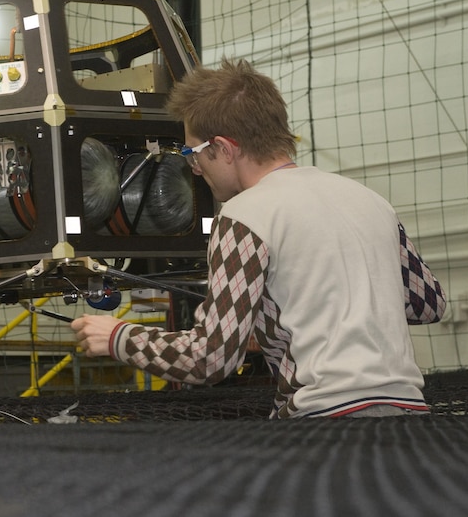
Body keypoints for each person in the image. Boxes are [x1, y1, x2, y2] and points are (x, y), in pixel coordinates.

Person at [71, 57, 447, 419]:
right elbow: (429, 304)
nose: (195, 168)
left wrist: (118, 337)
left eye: (193, 153)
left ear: (226, 148)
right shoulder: (371, 200)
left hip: (327, 422)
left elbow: (210, 358)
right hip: (408, 414)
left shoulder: (243, 215)